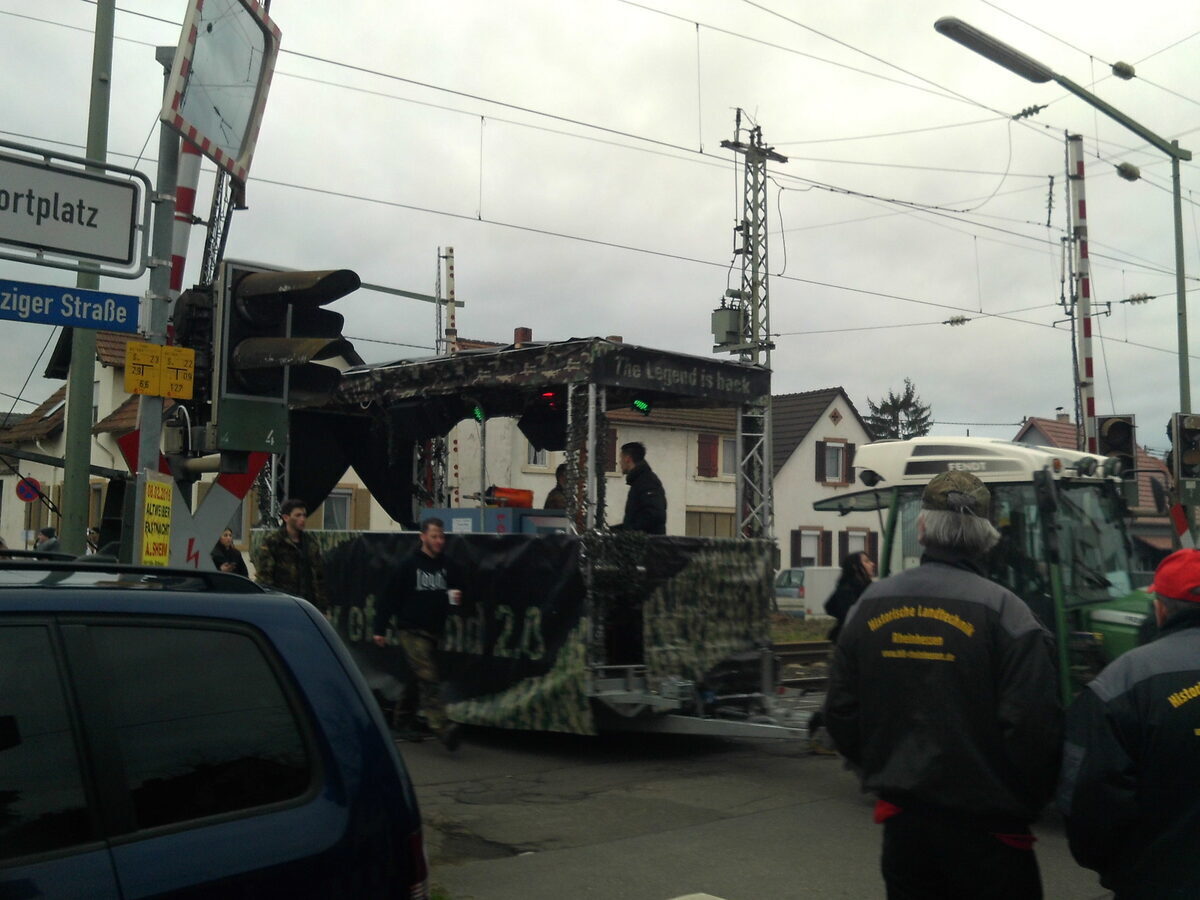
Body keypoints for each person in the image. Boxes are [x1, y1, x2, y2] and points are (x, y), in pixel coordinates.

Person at [824, 470, 1062, 900]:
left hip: (905, 827)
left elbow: (841, 710)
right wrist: (1017, 800)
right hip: (990, 833)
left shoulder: (868, 605)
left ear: (921, 528)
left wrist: (883, 770)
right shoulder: (1009, 613)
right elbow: (1034, 730)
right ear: (988, 535)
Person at [1057, 547, 1200, 897]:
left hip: (1156, 882)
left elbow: (1090, 799)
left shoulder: (1119, 682)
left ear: (1160, 608)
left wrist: (1119, 868)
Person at [372, 518, 462, 751]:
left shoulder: (448, 565)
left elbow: (456, 591)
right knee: (428, 676)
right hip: (411, 629)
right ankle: (442, 727)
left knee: (417, 677)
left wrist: (456, 599)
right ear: (423, 537)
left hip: (434, 630)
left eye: (441, 536)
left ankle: (402, 720)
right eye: (434, 536)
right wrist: (379, 629)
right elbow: (389, 597)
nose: (439, 541)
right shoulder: (408, 565)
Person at [254, 499, 327, 610]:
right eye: (298, 515)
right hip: (283, 604)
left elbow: (319, 576)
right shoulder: (273, 542)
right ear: (286, 518)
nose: (302, 519)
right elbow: (264, 577)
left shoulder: (310, 543)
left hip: (307, 604)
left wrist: (323, 606)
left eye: (304, 515)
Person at [614, 441, 666, 534]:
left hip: (648, 541)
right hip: (644, 540)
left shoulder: (647, 481)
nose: (620, 463)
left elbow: (655, 515)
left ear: (627, 459)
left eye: (621, 458)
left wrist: (629, 532)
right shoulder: (641, 481)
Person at [824, 551, 875, 643]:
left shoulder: (870, 587)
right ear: (855, 567)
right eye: (866, 561)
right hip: (851, 638)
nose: (872, 564)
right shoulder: (847, 590)